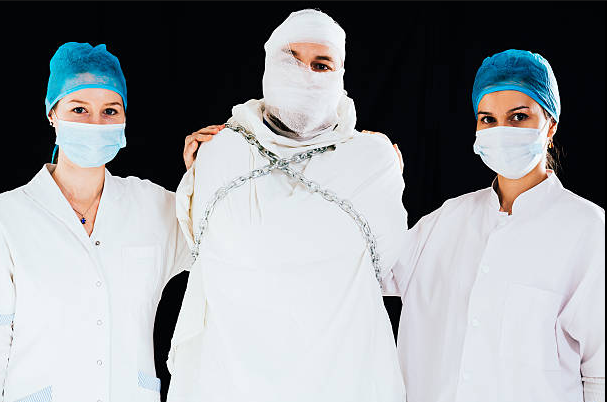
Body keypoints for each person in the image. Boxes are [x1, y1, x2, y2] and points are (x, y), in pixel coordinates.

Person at [167, 9, 407, 402]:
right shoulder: (222, 152)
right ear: (268, 65)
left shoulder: (370, 161)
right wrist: (201, 171)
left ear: (340, 75)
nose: (306, 75)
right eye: (291, 60)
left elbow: (384, 263)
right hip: (231, 379)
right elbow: (205, 248)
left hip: (341, 379)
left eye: (321, 64)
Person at [393, 49, 605, 402]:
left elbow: (601, 374)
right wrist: (376, 182)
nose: (502, 130)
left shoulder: (588, 230)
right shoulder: (446, 220)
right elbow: (365, 269)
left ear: (551, 125)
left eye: (519, 116)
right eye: (488, 119)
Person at [0, 42, 199, 402]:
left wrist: (205, 178)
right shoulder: (9, 216)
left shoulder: (154, 206)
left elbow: (221, 244)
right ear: (52, 114)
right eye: (79, 109)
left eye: (110, 111)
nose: (95, 123)